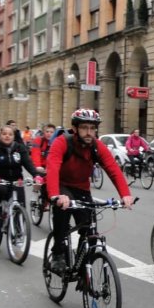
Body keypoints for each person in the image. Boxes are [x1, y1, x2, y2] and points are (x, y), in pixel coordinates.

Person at [46, 109, 134, 272]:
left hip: (82, 189)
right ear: (75, 128)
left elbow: (113, 168)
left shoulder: (96, 146)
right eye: (84, 127)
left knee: (90, 231)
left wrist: (125, 194)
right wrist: (55, 195)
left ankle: (82, 269)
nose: (89, 132)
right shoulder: (62, 142)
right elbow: (52, 168)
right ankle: (57, 254)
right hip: (61, 186)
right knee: (62, 215)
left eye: (92, 128)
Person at [0, 125, 44, 226]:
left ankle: (18, 229)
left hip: (16, 180)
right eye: (4, 134)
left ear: (14, 136)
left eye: (10, 134)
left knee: (21, 205)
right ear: (0, 136)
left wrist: (36, 175)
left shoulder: (19, 148)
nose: (7, 136)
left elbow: (28, 163)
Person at [30, 124, 56, 210]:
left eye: (52, 132)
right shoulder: (38, 141)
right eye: (47, 131)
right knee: (38, 180)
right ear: (43, 132)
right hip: (39, 166)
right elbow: (35, 154)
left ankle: (48, 201)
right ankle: (34, 194)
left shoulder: (56, 142)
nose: (49, 134)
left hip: (50, 167)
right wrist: (38, 166)